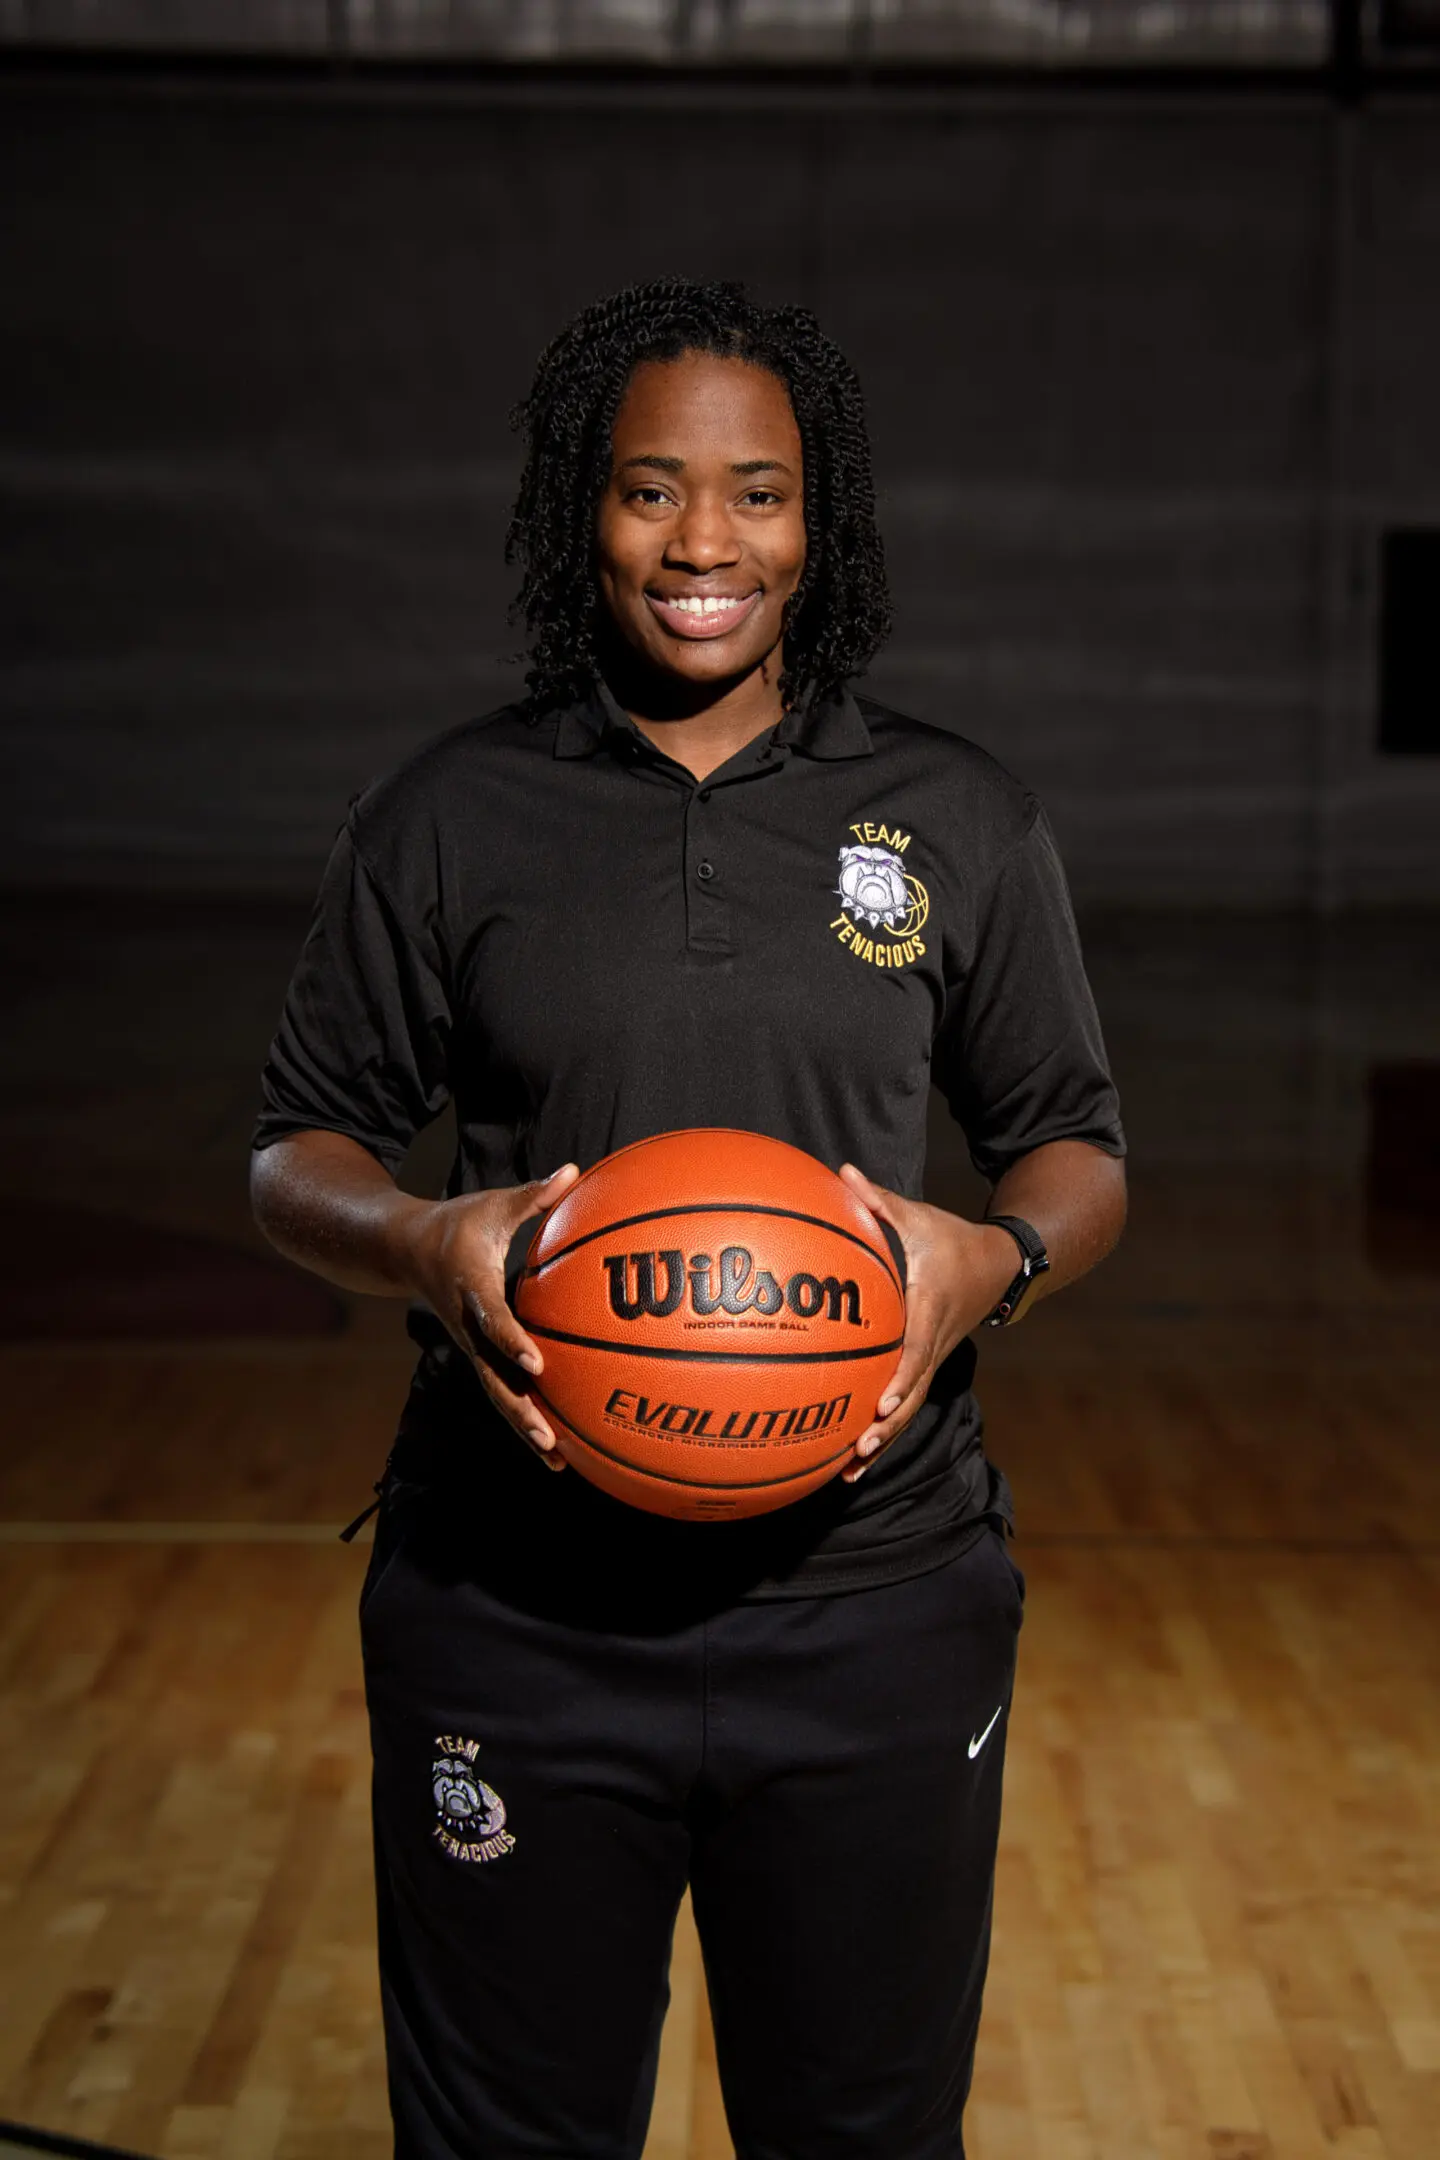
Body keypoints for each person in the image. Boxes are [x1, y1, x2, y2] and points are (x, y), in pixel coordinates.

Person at [250, 277, 1126, 2159]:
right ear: (585, 509)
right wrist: (418, 1239)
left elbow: (1072, 1143)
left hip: (876, 1603)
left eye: (757, 492)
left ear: (823, 525)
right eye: (650, 490)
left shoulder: (956, 817)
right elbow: (293, 1143)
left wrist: (999, 1259)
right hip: (517, 1606)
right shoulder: (450, 814)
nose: (703, 543)